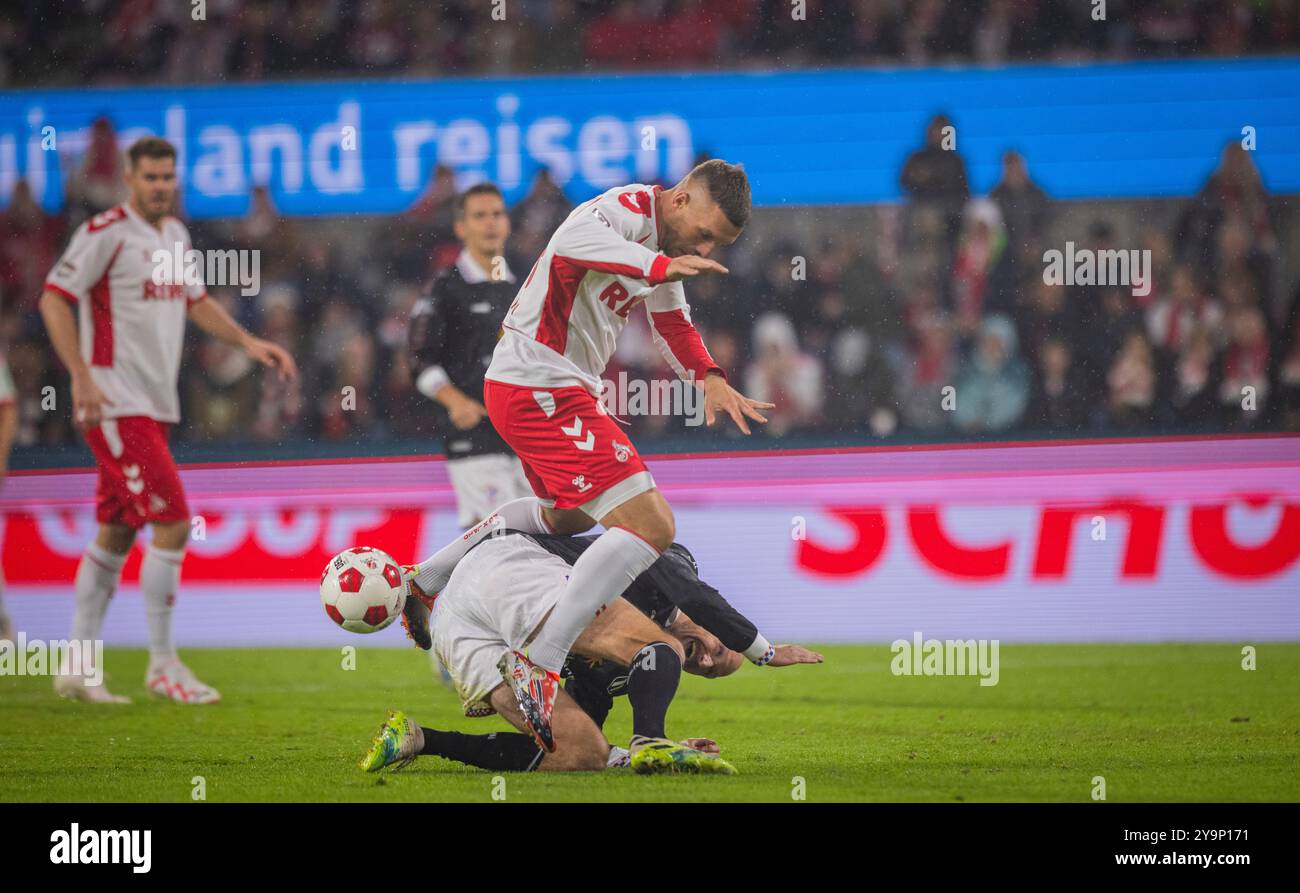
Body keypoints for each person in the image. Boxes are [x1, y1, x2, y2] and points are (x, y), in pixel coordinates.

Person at [405, 160, 775, 751]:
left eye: (717, 244)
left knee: (566, 517)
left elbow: (673, 322)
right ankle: (540, 659)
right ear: (680, 201)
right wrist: (658, 265)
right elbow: (574, 242)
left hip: (543, 386)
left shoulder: (661, 248)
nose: (705, 248)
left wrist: (708, 376)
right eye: (705, 233)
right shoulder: (626, 211)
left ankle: (425, 579)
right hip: (540, 383)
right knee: (652, 525)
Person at [38, 136, 298, 704]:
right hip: (113, 401)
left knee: (115, 530)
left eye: (167, 177)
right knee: (175, 522)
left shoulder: (175, 235)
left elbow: (195, 301)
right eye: (150, 177)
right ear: (129, 178)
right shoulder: (105, 233)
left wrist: (250, 342)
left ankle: (77, 666)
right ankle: (162, 664)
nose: (160, 186)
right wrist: (79, 373)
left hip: (151, 406)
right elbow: (54, 297)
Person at [368, 529, 822, 774]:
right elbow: (693, 592)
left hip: (455, 624)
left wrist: (633, 754)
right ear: (710, 622)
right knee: (658, 645)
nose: (703, 659)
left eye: (708, 671)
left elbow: (593, 741)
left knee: (577, 752)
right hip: (507, 571)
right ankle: (651, 740)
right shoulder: (670, 570)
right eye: (718, 649)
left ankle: (419, 738)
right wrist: (762, 651)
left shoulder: (617, 668)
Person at [407, 182, 532, 529]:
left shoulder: (523, 286)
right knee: (499, 540)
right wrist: (455, 402)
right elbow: (418, 358)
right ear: (461, 227)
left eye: (496, 214)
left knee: (539, 544)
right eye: (479, 216)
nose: (490, 223)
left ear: (507, 223)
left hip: (525, 437)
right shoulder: (444, 288)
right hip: (474, 437)